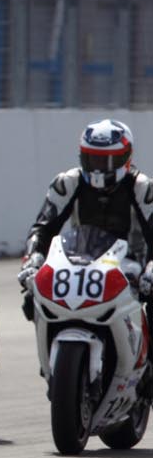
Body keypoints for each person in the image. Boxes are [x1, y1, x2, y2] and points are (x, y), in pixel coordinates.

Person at [18, 120, 153, 319]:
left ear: (125, 158)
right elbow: (42, 227)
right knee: (33, 301)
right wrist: (33, 257)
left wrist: (150, 269)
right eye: (93, 159)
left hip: (133, 269)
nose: (99, 168)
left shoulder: (142, 188)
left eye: (107, 160)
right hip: (81, 265)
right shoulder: (68, 182)